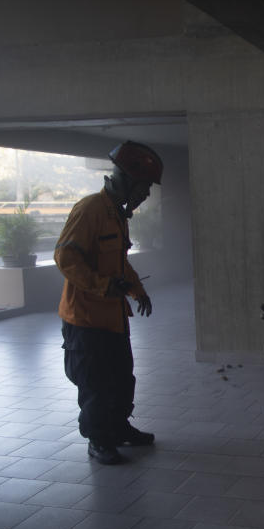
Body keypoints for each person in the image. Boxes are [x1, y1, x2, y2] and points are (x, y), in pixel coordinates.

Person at [54, 141, 160, 465]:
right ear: (126, 181)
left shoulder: (117, 216)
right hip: (85, 320)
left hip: (113, 317)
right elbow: (65, 257)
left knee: (121, 378)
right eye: (143, 188)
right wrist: (102, 286)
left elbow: (120, 264)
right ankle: (98, 440)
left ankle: (119, 428)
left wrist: (137, 291)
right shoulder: (89, 210)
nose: (146, 196)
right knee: (96, 384)